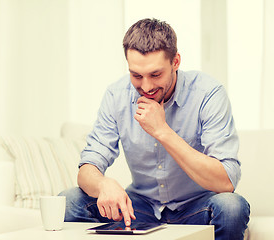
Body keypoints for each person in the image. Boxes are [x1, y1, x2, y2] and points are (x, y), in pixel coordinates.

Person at [59, 18, 250, 240]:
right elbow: (87, 168)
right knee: (70, 200)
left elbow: (225, 182)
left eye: (155, 74)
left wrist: (162, 131)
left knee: (232, 208)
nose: (146, 87)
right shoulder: (116, 95)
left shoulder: (208, 94)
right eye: (136, 76)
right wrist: (103, 184)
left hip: (196, 208)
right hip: (139, 208)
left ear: (175, 62)